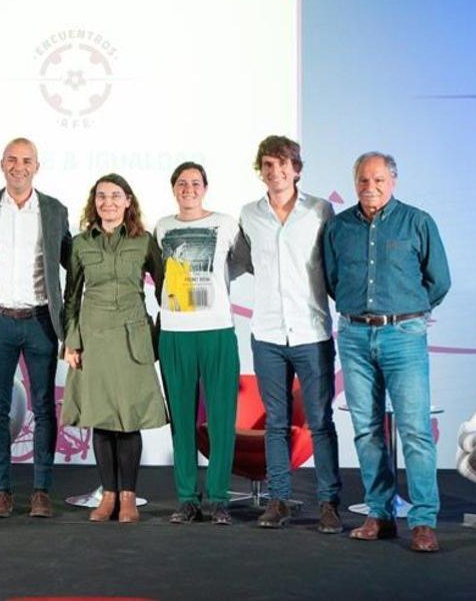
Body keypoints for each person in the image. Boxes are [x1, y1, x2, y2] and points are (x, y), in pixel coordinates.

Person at [323, 152, 451, 553]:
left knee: (414, 430)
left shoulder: (418, 222)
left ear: (393, 181)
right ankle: (379, 514)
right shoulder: (338, 227)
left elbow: (440, 281)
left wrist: (408, 311)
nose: (370, 187)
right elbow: (332, 279)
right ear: (354, 182)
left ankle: (423, 521)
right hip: (355, 336)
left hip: (403, 335)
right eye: (363, 180)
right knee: (366, 430)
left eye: (378, 180)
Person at [0, 138, 71, 519]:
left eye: (26, 161)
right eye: (12, 159)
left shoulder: (55, 210)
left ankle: (41, 491)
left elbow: (73, 261)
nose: (18, 166)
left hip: (41, 321)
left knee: (43, 408)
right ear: (1, 164)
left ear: (36, 167)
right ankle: (1, 492)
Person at [237, 135, 344, 533]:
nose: (276, 172)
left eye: (283, 164)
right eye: (267, 165)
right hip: (266, 332)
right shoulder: (249, 214)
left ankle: (329, 503)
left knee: (319, 421)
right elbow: (241, 264)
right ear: (260, 170)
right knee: (277, 423)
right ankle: (279, 500)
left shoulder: (320, 211)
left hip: (311, 330)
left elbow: (332, 265)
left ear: (296, 169)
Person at [61, 173, 168, 523]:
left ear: (128, 201)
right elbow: (72, 296)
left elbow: (167, 291)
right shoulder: (80, 243)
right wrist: (71, 342)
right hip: (93, 339)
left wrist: (160, 336)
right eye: (102, 196)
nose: (108, 202)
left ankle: (129, 498)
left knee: (129, 420)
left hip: (131, 338)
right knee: (102, 420)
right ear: (94, 202)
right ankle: (107, 495)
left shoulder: (144, 241)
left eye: (115, 196)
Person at [154, 162, 246, 526]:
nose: (188, 188)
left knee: (222, 418)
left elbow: (237, 264)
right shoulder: (162, 227)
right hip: (175, 331)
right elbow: (160, 273)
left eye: (195, 183)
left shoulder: (226, 224)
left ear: (205, 187)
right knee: (182, 421)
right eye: (181, 183)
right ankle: (187, 498)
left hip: (217, 329)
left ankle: (219, 497)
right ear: (173, 188)